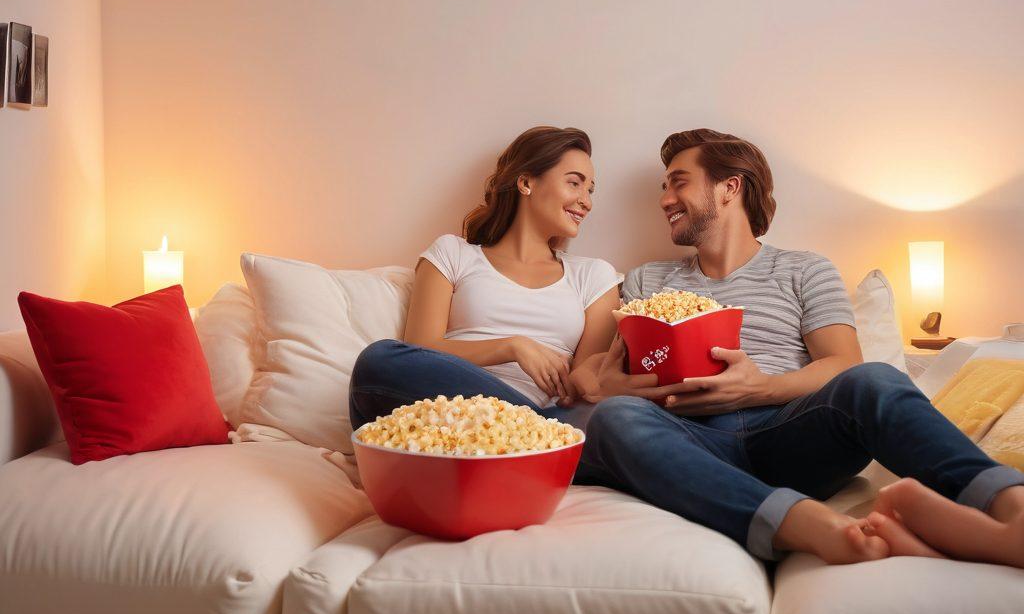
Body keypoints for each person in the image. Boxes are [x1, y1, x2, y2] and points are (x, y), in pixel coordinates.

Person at [569, 128, 1024, 566]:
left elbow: (844, 363)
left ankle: (1010, 506)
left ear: (730, 187)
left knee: (874, 380)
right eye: (664, 187)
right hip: (688, 441)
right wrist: (606, 384)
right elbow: (594, 371)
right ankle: (810, 525)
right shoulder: (649, 278)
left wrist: (759, 388)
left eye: (679, 183)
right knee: (615, 417)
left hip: (789, 432)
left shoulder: (803, 270)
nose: (665, 199)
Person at [348, 126, 622, 435]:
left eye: (590, 190)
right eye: (574, 183)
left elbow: (578, 389)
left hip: (541, 418)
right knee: (379, 360)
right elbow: (419, 350)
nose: (586, 201)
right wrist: (513, 347)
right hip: (449, 402)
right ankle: (507, 441)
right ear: (526, 182)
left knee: (611, 419)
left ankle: (520, 439)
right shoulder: (453, 253)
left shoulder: (594, 276)